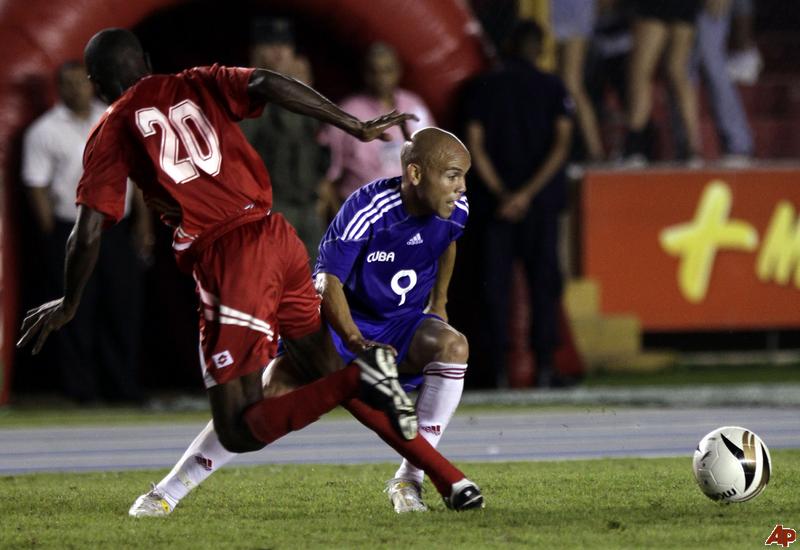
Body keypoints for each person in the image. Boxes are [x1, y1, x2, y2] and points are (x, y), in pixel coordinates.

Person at [16, 28, 481, 512]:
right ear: (147, 60)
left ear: (94, 83)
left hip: (228, 256)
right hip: (277, 234)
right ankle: (447, 477)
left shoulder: (111, 128)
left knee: (239, 426)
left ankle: (360, 378)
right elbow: (263, 81)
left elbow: (88, 231)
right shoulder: (194, 81)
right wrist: (348, 121)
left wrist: (69, 301)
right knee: (318, 368)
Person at [129, 127, 475, 516]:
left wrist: (439, 303)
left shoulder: (454, 209)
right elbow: (327, 282)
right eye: (452, 175)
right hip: (335, 329)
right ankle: (166, 492)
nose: (461, 186)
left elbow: (448, 242)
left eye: (463, 175)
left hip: (400, 326)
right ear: (414, 174)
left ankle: (409, 480)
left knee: (453, 345)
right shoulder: (368, 208)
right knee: (261, 408)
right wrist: (356, 341)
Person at [21, 60, 151, 404]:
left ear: (92, 84)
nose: (76, 89)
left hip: (116, 229)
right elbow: (36, 185)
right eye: (68, 83)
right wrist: (52, 233)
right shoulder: (44, 130)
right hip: (72, 227)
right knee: (75, 310)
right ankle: (82, 391)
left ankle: (123, 388)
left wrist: (142, 222)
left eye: (81, 82)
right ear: (59, 88)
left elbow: (137, 174)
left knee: (123, 308)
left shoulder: (114, 117)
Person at [464, 20, 573, 388]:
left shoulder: (484, 86)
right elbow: (561, 144)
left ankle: (495, 369)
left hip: (495, 205)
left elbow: (474, 143)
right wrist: (528, 194)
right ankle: (544, 366)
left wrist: (503, 194)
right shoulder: (552, 86)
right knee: (543, 284)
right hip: (539, 205)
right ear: (541, 48)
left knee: (495, 287)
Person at [239, 18, 328, 262]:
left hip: (307, 205)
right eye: (270, 44)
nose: (279, 51)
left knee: (315, 285)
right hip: (273, 206)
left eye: (285, 44)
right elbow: (239, 154)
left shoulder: (302, 94)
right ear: (256, 51)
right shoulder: (248, 95)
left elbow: (321, 146)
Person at [317, 42, 433, 221]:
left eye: (387, 70)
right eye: (374, 71)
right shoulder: (347, 114)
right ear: (365, 73)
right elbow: (326, 180)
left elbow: (434, 160)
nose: (381, 78)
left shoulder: (414, 105)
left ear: (398, 71)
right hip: (364, 217)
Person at [623, 0, 703, 164]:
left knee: (641, 71)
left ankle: (634, 146)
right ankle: (693, 148)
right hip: (685, 6)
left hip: (656, 6)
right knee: (677, 70)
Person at [550, 0, 604, 162]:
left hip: (573, 11)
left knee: (571, 83)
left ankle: (595, 152)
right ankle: (553, 150)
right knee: (547, 82)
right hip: (546, 9)